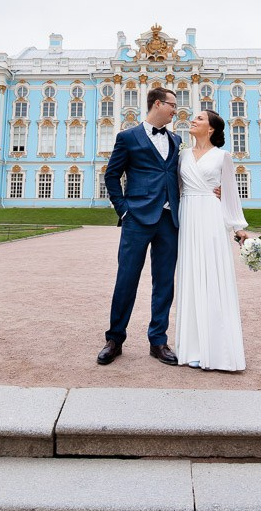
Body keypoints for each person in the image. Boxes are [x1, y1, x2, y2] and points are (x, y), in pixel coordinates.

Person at [99, 87, 182, 366]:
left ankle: (158, 341)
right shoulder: (127, 137)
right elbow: (112, 175)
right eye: (172, 105)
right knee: (126, 279)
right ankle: (114, 339)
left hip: (169, 220)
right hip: (137, 218)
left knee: (164, 282)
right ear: (157, 104)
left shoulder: (176, 139)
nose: (176, 110)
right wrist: (124, 210)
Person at [174, 109, 251, 371]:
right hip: (188, 216)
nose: (192, 120)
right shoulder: (182, 155)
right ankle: (192, 348)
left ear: (211, 129)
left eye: (199, 118)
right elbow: (176, 188)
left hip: (211, 216)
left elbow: (230, 193)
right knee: (191, 277)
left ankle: (217, 351)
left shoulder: (222, 156)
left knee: (212, 276)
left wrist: (238, 227)